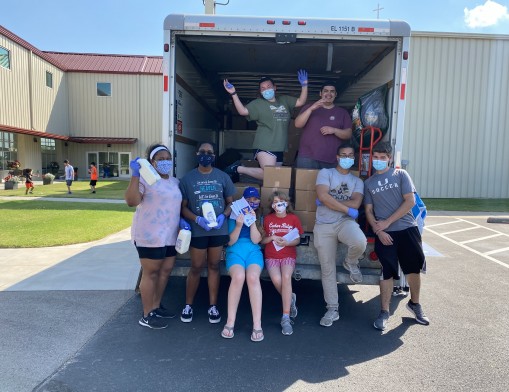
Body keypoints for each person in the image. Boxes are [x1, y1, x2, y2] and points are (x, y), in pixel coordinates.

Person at [364, 141, 430, 331]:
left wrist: (388, 222)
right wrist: (379, 230)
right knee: (387, 272)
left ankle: (415, 304)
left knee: (413, 270)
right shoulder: (368, 183)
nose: (378, 161)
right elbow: (368, 210)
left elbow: (409, 201)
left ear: (389, 159)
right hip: (385, 234)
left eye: (382, 158)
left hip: (407, 229)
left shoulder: (401, 174)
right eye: (375, 158)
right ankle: (384, 312)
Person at [125, 144, 188, 329]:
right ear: (151, 162)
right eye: (160, 159)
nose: (165, 162)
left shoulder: (175, 182)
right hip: (149, 235)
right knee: (151, 273)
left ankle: (156, 306)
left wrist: (183, 221)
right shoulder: (145, 179)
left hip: (170, 236)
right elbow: (131, 201)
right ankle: (146, 315)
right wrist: (135, 175)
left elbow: (176, 206)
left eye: (168, 158)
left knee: (165, 271)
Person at [179, 142, 235, 324]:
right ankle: (188, 305)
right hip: (198, 230)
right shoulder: (187, 179)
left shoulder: (223, 177)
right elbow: (183, 208)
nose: (206, 155)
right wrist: (197, 219)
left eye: (209, 152)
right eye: (202, 152)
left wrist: (223, 216)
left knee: (213, 266)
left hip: (218, 230)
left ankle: (213, 306)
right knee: (195, 267)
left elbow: (230, 202)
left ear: (214, 155)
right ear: (197, 154)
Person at [314, 143, 367, 327]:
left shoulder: (357, 181)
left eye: (350, 155)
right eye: (343, 155)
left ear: (354, 158)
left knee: (360, 242)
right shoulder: (325, 173)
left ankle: (350, 262)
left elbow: (357, 202)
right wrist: (345, 207)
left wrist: (328, 200)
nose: (347, 158)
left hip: (345, 222)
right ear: (337, 157)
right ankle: (332, 308)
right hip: (323, 225)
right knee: (327, 269)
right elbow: (322, 195)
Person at [222, 71, 308, 181]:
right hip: (265, 144)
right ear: (261, 92)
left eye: (268, 86)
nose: (266, 89)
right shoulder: (258, 104)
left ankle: (272, 197)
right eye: (263, 88)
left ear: (275, 87)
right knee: (270, 175)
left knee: (275, 178)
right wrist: (233, 94)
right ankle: (239, 169)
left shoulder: (284, 100)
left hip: (279, 146)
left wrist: (304, 85)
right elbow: (243, 111)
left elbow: (301, 101)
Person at [221, 187, 264, 342]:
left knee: (252, 277)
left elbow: (256, 240)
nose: (252, 202)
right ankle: (230, 322)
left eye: (255, 199)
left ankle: (257, 324)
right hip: (235, 251)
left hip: (253, 251)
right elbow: (230, 241)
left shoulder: (259, 215)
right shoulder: (233, 214)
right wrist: (239, 225)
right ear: (243, 200)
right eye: (249, 199)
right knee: (238, 277)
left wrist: (252, 222)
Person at [261, 191, 303, 336]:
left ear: (287, 203)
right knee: (277, 280)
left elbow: (297, 240)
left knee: (286, 278)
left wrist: (287, 242)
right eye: (275, 202)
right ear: (272, 205)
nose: (278, 204)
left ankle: (285, 317)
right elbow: (262, 240)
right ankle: (290, 298)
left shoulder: (293, 219)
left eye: (281, 201)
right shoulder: (267, 219)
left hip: (288, 255)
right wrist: (272, 237)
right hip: (271, 256)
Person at [294, 82, 353, 169]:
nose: (329, 94)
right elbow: (297, 124)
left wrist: (334, 130)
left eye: (332, 91)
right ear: (320, 93)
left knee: (327, 183)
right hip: (307, 157)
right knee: (305, 183)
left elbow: (348, 134)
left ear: (335, 94)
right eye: (326, 91)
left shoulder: (342, 112)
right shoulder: (309, 107)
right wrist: (311, 109)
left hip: (332, 159)